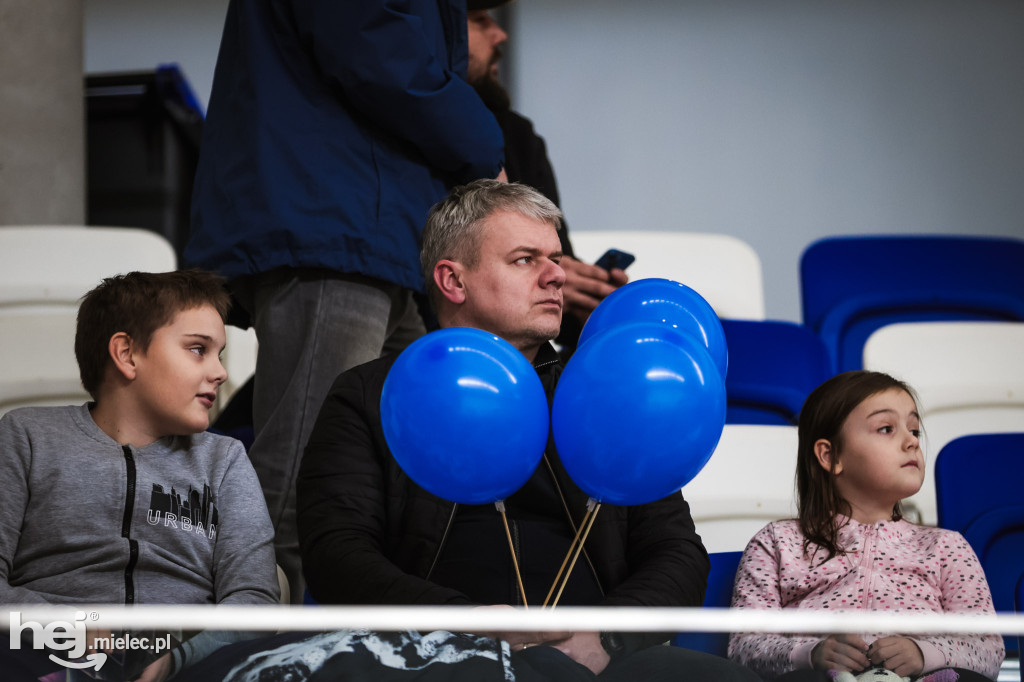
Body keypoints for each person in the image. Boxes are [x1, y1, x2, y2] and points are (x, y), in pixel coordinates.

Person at [295, 180, 759, 681]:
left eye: (556, 258)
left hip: (602, 659)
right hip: (437, 655)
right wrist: (457, 623)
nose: (557, 276)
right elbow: (336, 552)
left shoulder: (610, 390)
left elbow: (677, 552)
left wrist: (606, 636)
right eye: (525, 259)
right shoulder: (371, 392)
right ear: (453, 281)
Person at [186, 0, 506, 603]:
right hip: (334, 226)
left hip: (377, 229)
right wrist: (484, 142)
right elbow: (378, 48)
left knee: (399, 475)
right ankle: (238, 645)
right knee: (304, 474)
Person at [0, 270, 280, 682]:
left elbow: (255, 600)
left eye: (219, 354)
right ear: (127, 355)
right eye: (199, 350)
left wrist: (176, 658)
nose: (220, 373)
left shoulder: (225, 460)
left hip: (187, 659)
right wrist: (62, 623)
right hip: (46, 647)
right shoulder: (26, 436)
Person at [728, 371, 1005, 682]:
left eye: (914, 430)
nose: (911, 441)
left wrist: (923, 654)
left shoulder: (947, 546)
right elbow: (745, 646)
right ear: (830, 455)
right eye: (886, 428)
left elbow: (987, 647)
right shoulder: (777, 542)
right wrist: (812, 653)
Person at [465, 0, 628, 351]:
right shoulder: (404, 138)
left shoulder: (519, 138)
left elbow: (561, 260)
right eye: (479, 20)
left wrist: (585, 303)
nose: (500, 34)